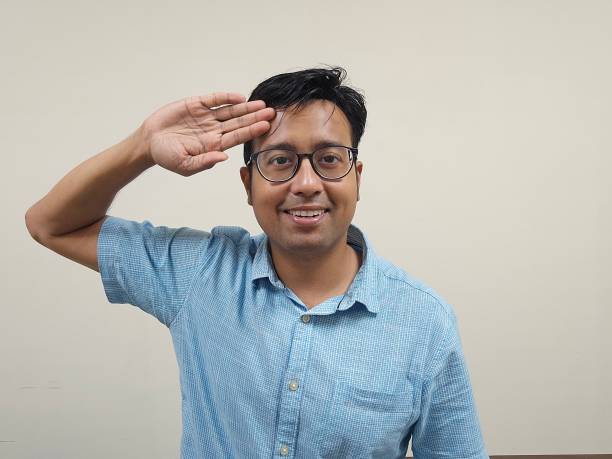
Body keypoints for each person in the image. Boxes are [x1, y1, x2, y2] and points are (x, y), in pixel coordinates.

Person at [25, 67, 488, 458]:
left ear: (356, 177)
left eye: (329, 159)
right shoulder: (200, 274)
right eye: (280, 160)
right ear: (247, 184)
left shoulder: (424, 320)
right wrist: (142, 146)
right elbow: (50, 224)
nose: (306, 183)